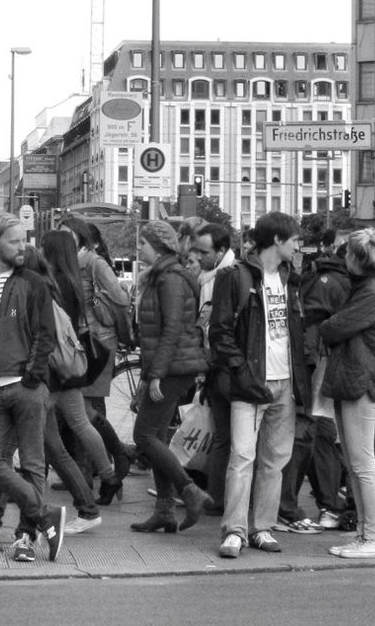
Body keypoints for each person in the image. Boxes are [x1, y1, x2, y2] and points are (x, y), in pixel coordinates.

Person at [0, 213, 65, 564]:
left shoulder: (33, 282)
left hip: (23, 385)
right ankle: (44, 512)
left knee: (34, 464)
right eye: (14, 241)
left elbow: (45, 333)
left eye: (24, 240)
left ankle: (25, 539)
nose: (23, 247)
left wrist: (31, 377)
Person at [210, 210, 309, 560]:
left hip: (286, 381)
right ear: (277, 241)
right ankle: (234, 530)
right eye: (295, 239)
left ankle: (262, 527)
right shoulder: (235, 277)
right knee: (242, 457)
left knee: (275, 460)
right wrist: (241, 372)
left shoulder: (292, 278)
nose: (300, 245)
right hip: (251, 382)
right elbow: (220, 332)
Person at [128, 220, 212, 535]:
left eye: (143, 244)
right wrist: (148, 374)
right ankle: (164, 510)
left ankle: (189, 491)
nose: (139, 249)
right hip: (170, 365)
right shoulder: (162, 276)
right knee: (157, 437)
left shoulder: (170, 279)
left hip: (174, 368)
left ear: (159, 247)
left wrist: (156, 376)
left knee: (144, 436)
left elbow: (172, 329)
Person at [318, 228, 375, 559]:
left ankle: (373, 538)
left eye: (347, 253)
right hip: (356, 378)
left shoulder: (371, 292)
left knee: (362, 463)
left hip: (360, 380)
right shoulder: (368, 288)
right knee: (355, 463)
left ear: (356, 259)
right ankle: (365, 535)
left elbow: (334, 327)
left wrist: (327, 325)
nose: (343, 258)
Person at [60, 215, 132, 495]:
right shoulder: (70, 262)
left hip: (98, 343)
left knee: (89, 408)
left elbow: (122, 298)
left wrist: (97, 301)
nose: (65, 238)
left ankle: (103, 469)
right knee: (82, 410)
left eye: (69, 233)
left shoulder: (93, 262)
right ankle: (91, 471)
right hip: (80, 342)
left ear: (80, 236)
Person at [287, 226, 350, 531]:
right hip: (321, 360)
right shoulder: (343, 284)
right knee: (315, 431)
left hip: (309, 358)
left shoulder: (314, 276)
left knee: (311, 431)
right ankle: (323, 503)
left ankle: (316, 501)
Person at [193, 222, 235, 513]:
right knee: (225, 437)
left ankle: (216, 496)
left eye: (202, 252)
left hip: (221, 364)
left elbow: (215, 326)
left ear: (221, 252)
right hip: (217, 364)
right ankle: (218, 496)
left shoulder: (223, 277)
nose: (197, 256)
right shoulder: (208, 276)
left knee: (227, 438)